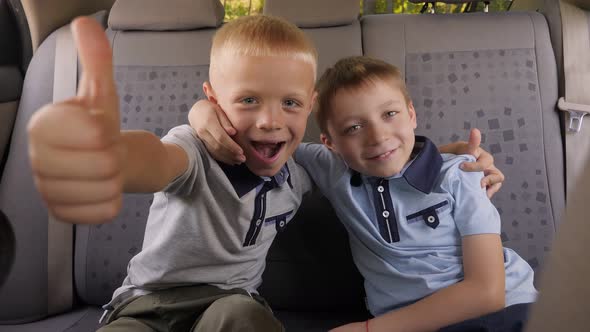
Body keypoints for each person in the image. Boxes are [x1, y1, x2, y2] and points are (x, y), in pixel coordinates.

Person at [27, 13, 502, 332]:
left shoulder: (303, 171)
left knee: (239, 315)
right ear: (214, 102)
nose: (270, 121)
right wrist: (108, 158)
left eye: (290, 104)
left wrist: (453, 160)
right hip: (147, 304)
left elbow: (376, 152)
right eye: (248, 100)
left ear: (311, 110)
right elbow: (155, 161)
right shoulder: (194, 150)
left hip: (229, 306)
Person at [191, 56, 534, 332]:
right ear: (330, 143)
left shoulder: (461, 175)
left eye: (390, 114)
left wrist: (370, 329)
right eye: (354, 128)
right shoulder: (333, 169)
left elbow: (487, 293)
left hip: (505, 311)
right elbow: (268, 135)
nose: (377, 136)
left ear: (411, 115)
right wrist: (203, 112)